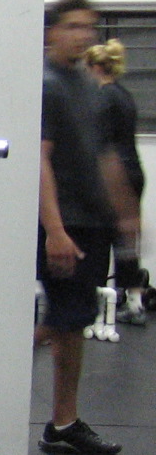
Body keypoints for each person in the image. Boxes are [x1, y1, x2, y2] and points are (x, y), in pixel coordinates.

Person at [38, 0, 138, 455]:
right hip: (67, 224)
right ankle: (59, 420)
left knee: (71, 322)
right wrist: (55, 230)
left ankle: (63, 422)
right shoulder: (47, 86)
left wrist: (125, 210)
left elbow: (104, 153)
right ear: (52, 32)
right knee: (65, 321)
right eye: (73, 26)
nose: (83, 35)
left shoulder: (86, 84)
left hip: (92, 222)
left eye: (88, 27)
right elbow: (41, 159)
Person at [84, 38, 147, 324]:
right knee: (125, 242)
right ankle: (135, 304)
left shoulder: (103, 98)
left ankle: (97, 309)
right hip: (133, 173)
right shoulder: (124, 95)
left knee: (99, 241)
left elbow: (100, 145)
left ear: (96, 67)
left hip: (114, 176)